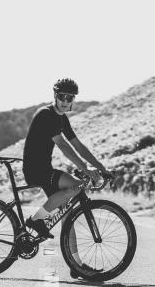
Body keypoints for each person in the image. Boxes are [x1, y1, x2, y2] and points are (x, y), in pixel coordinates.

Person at [22, 78, 112, 241]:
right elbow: (62, 144)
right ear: (55, 95)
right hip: (35, 170)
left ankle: (76, 266)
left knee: (67, 215)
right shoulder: (46, 114)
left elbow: (79, 146)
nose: (65, 101)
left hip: (45, 170)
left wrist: (101, 168)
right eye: (62, 96)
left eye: (69, 98)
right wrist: (85, 169)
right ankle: (35, 220)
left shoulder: (62, 119)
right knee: (77, 185)